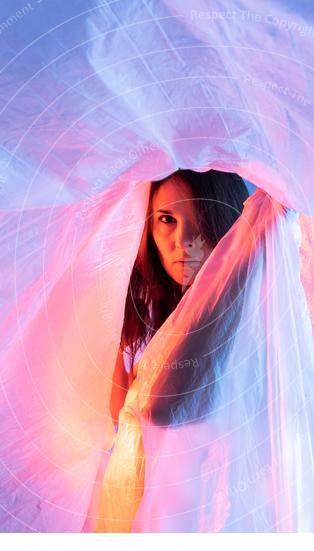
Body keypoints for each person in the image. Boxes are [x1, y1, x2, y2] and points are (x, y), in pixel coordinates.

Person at [88, 168, 251, 532]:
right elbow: (119, 416)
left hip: (207, 511)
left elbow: (161, 412)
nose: (185, 240)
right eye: (166, 220)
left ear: (224, 219)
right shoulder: (151, 310)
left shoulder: (239, 308)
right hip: (145, 501)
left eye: (200, 219)